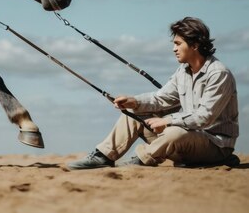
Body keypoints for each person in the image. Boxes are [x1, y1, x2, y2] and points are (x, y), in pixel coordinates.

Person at [67, 17, 239, 169]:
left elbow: (204, 117)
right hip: (186, 142)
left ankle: (142, 159)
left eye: (178, 43)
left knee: (174, 132)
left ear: (195, 45)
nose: (174, 49)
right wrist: (133, 101)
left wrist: (168, 121)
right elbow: (161, 98)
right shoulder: (183, 71)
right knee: (133, 113)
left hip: (216, 146)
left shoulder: (218, 74)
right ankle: (104, 156)